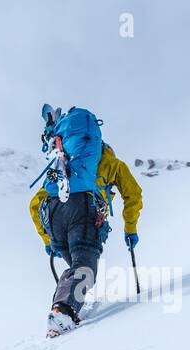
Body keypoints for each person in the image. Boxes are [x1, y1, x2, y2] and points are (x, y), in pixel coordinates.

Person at [28, 105, 142, 335]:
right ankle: (63, 312)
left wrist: (48, 239)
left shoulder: (64, 167)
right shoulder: (112, 164)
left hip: (53, 213)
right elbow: (133, 195)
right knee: (85, 269)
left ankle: (63, 309)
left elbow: (34, 205)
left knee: (77, 268)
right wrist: (130, 228)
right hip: (84, 211)